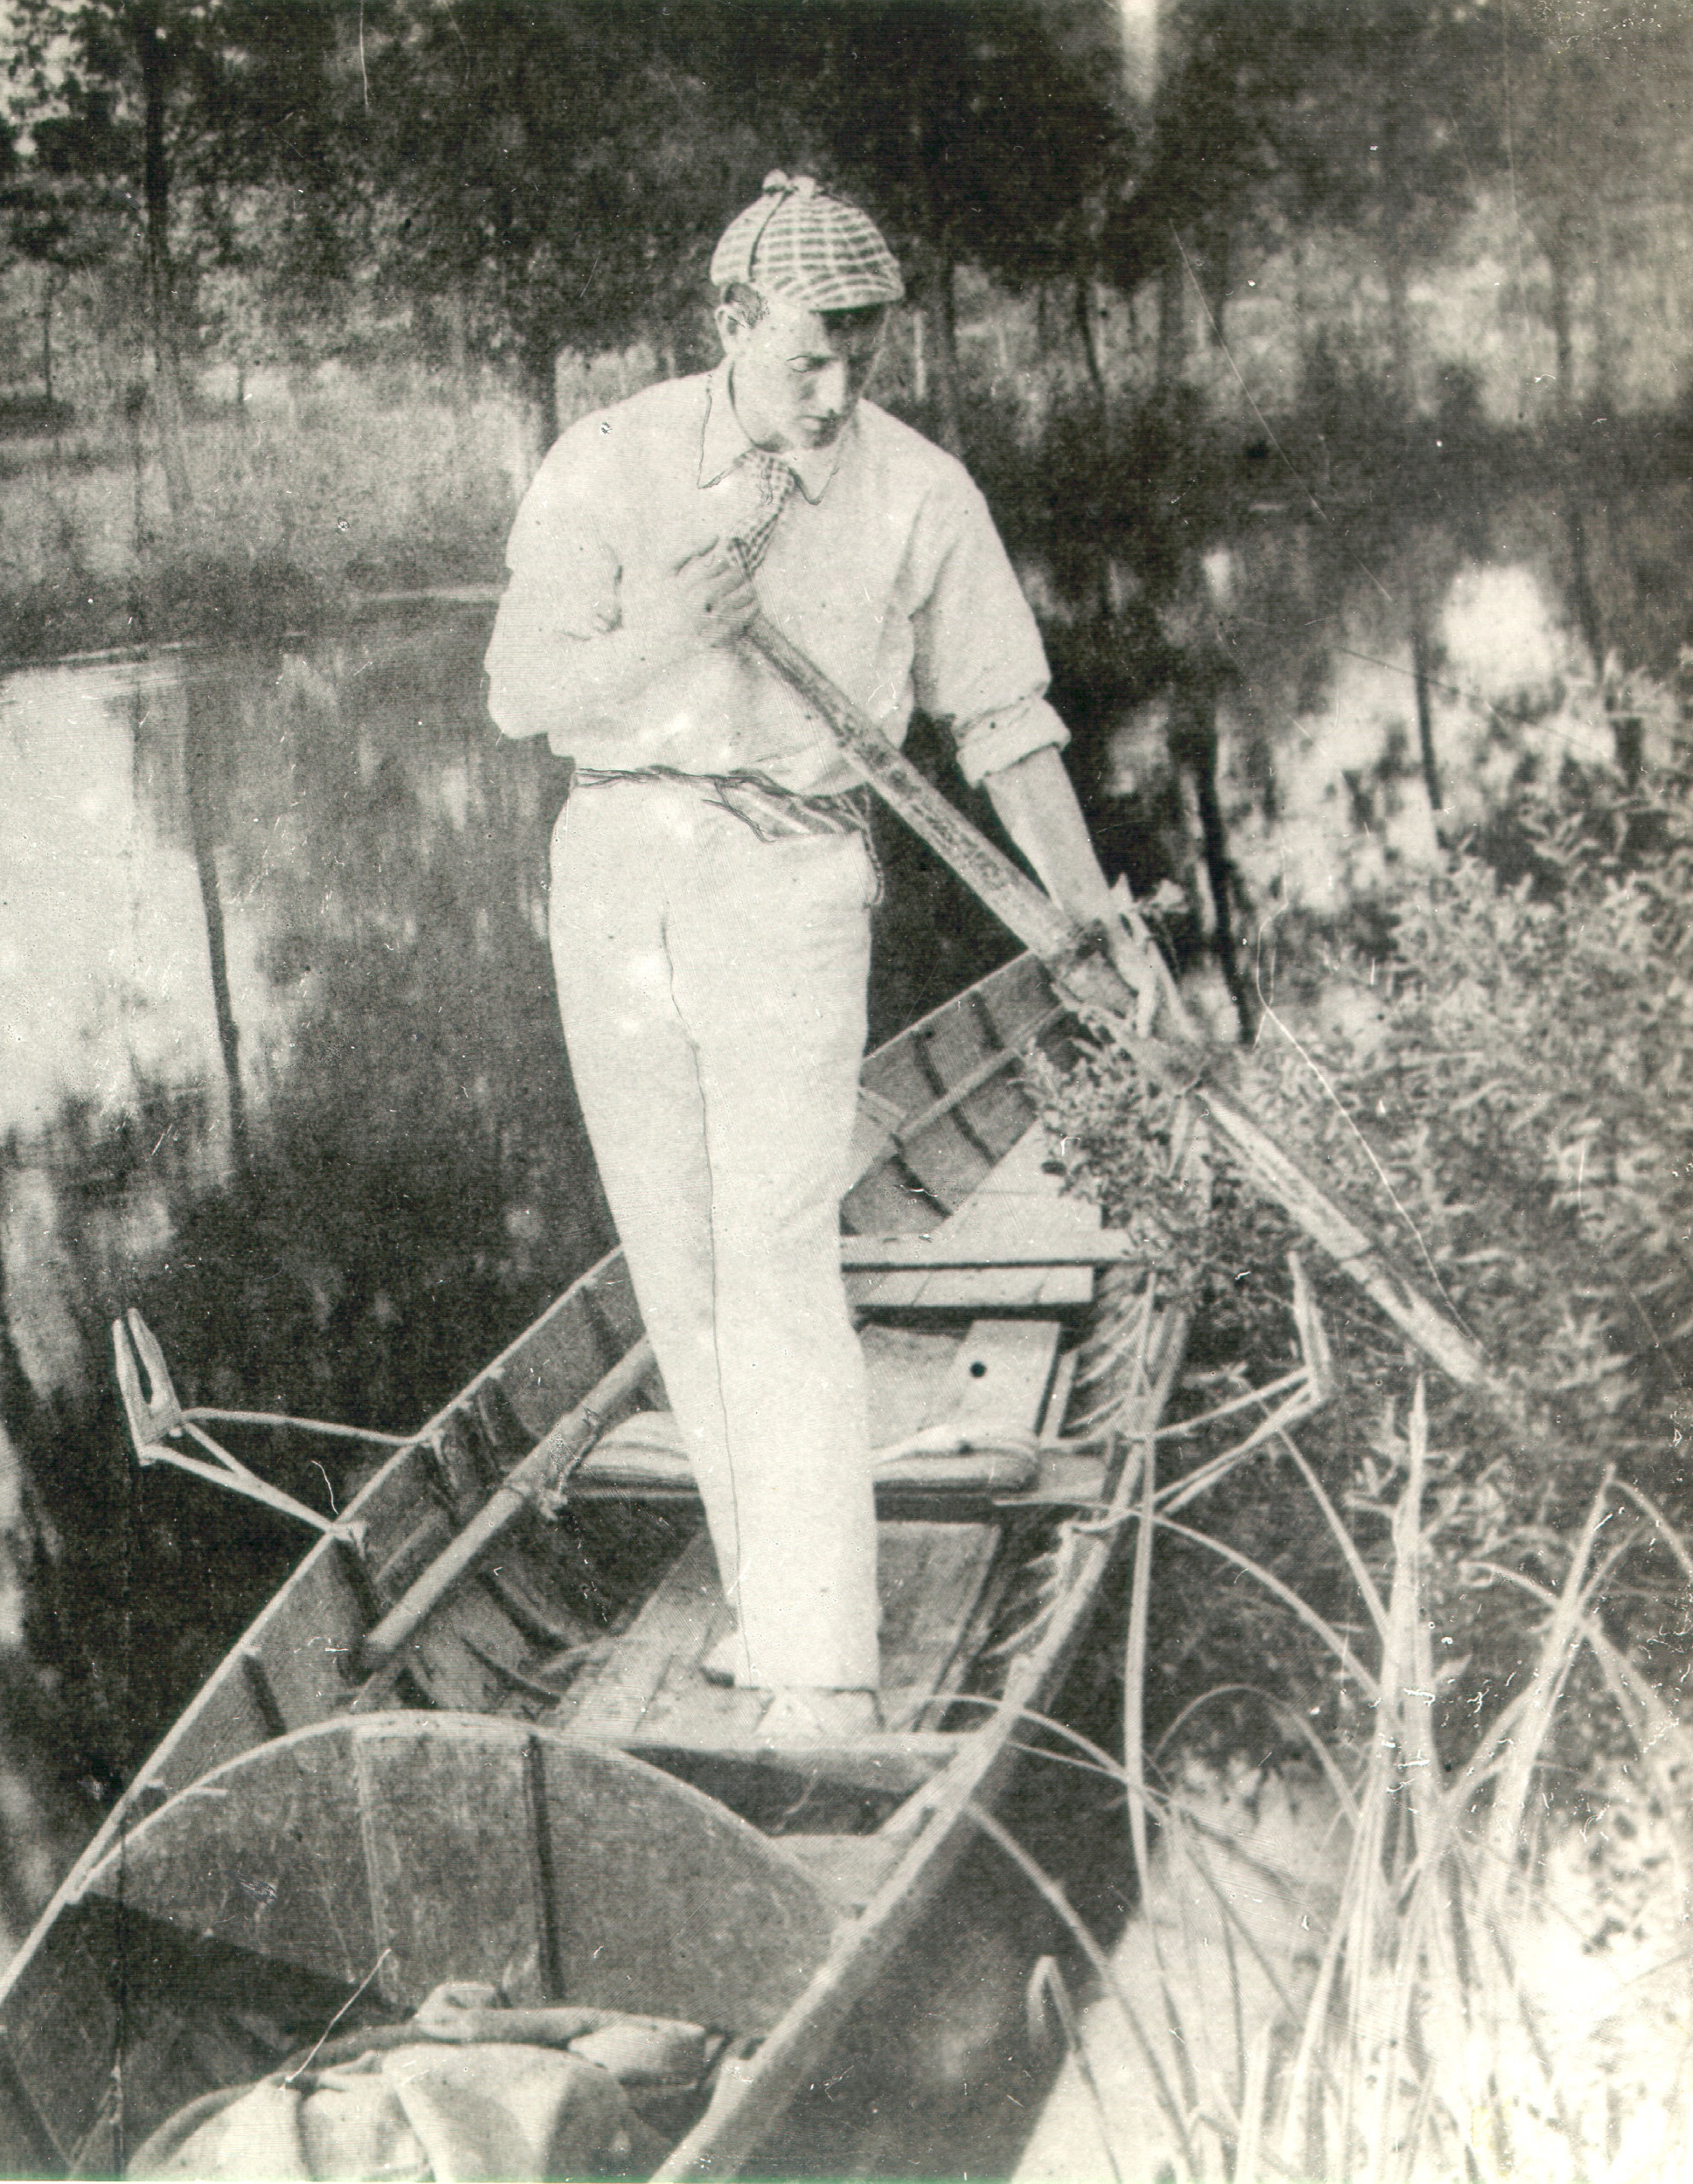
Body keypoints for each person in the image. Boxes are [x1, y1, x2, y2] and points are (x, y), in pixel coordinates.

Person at [485, 173, 1136, 1739]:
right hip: (621, 865)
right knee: (676, 1256)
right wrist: (670, 629)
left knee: (774, 1254)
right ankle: (766, 1610)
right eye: (809, 355)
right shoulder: (615, 459)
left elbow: (1005, 720)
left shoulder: (921, 495)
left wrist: (1083, 912)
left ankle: (827, 1666)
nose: (840, 391)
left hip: (790, 873)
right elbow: (520, 693)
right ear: (728, 326)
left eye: (864, 351)